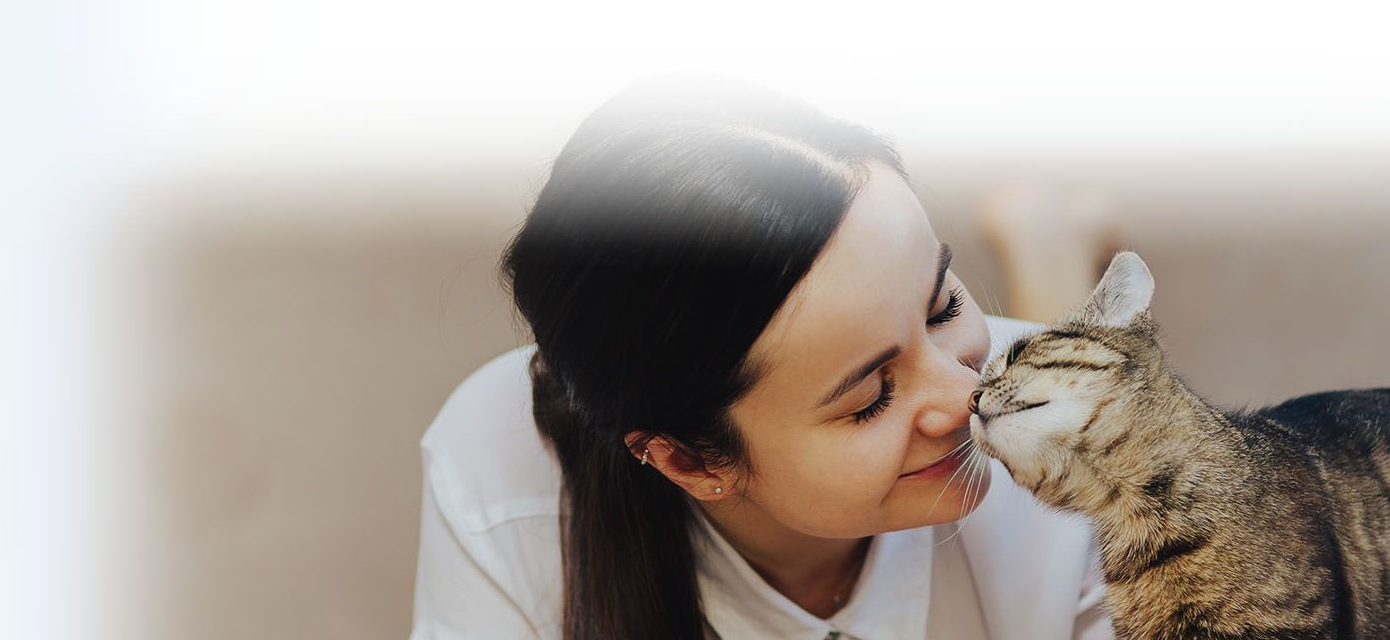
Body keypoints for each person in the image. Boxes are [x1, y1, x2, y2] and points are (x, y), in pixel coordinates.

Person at [411, 74, 1115, 640]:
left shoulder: (1090, 468)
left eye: (943, 307)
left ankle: (1045, 246)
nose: (967, 397)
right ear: (689, 460)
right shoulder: (500, 481)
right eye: (870, 395)